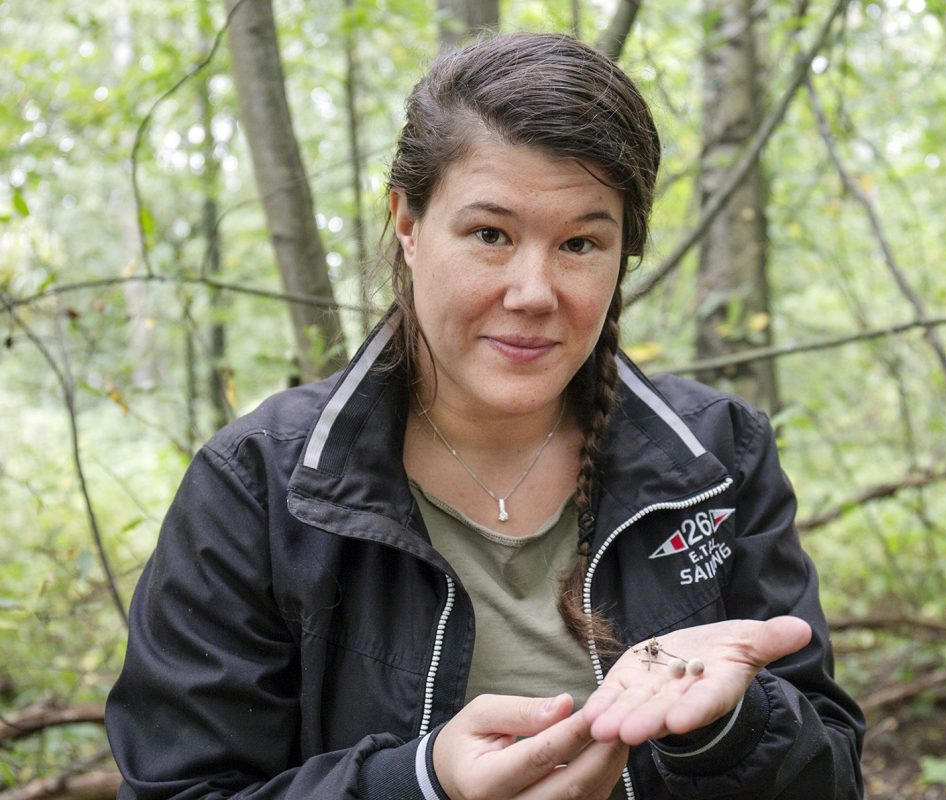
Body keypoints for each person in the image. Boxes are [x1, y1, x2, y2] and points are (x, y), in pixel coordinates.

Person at [106, 32, 865, 800]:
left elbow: (832, 778)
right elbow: (179, 788)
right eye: (490, 234)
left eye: (579, 242)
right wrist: (419, 783)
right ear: (407, 224)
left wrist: (728, 729)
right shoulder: (261, 489)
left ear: (623, 254)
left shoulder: (716, 459)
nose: (534, 291)